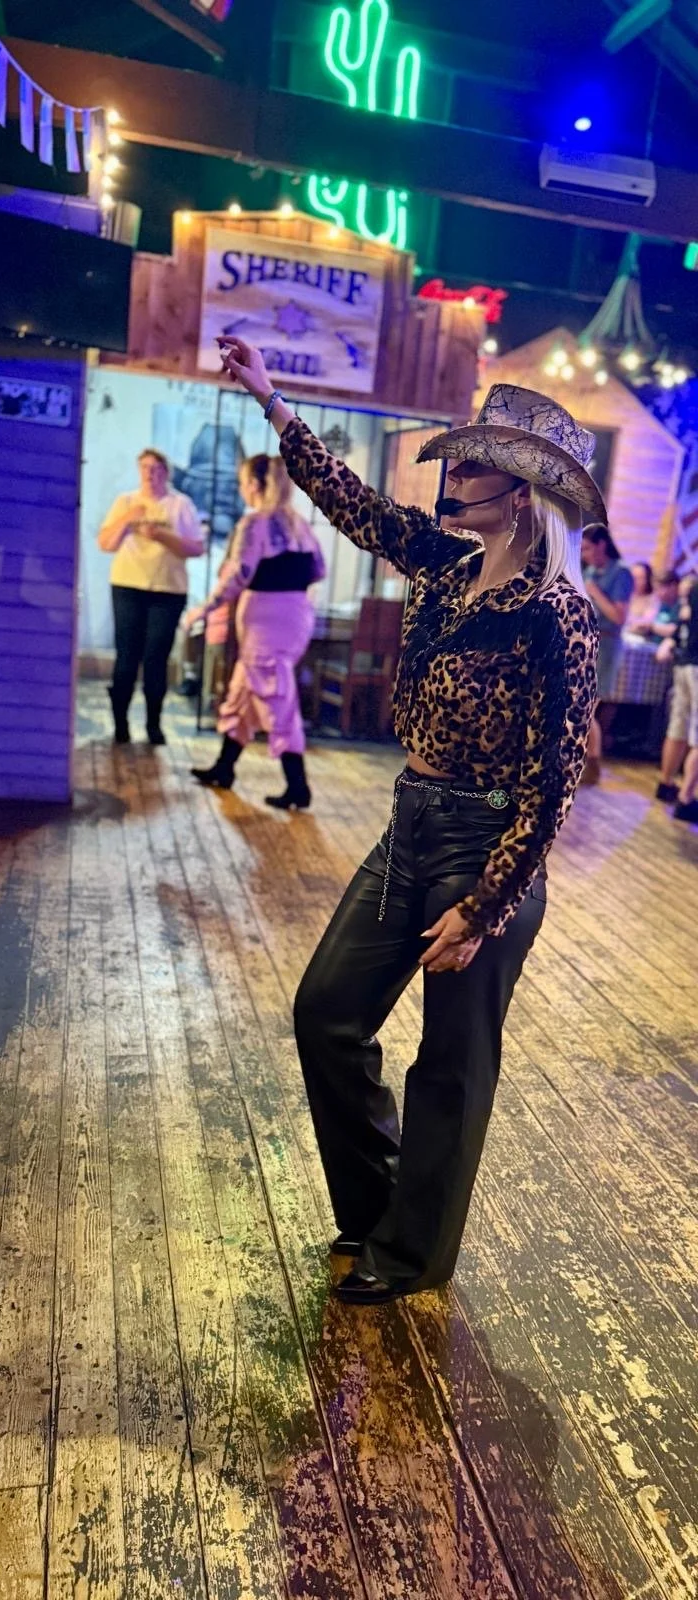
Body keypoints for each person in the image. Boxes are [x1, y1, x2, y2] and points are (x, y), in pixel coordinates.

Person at [217, 334, 599, 1305]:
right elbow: (351, 501)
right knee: (327, 1012)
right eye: (458, 460)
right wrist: (272, 401)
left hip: (487, 844)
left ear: (522, 494)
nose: (453, 474)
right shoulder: (443, 561)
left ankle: (414, 1251)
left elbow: (555, 778)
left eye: (475, 464)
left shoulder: (555, 612)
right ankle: (378, 1208)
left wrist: (486, 903)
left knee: (451, 1062)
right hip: (410, 824)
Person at [187, 452, 326, 809]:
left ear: (254, 484)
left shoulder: (255, 523)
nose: (241, 489)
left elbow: (239, 575)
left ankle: (298, 786)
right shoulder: (299, 525)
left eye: (242, 483)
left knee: (276, 697)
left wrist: (204, 609)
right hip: (293, 615)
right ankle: (224, 767)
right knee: (243, 690)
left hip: (266, 620)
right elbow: (319, 569)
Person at [97, 448, 205, 745]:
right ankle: (120, 724)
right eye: (145, 468)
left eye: (156, 469)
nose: (150, 474)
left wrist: (161, 536)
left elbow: (196, 548)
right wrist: (128, 519)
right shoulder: (126, 501)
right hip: (128, 586)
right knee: (126, 657)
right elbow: (105, 543)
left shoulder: (181, 505)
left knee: (156, 659)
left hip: (167, 591)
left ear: (166, 473)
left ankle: (153, 725)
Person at [581, 522, 634, 784]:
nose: (584, 555)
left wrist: (595, 593)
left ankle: (592, 763)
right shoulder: (591, 571)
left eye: (588, 549)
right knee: (582, 706)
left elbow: (619, 617)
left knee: (588, 707)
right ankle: (589, 762)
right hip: (588, 642)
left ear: (602, 545)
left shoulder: (621, 572)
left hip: (608, 644)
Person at [655, 573, 698, 819]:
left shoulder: (693, 588)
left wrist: (670, 642)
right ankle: (686, 797)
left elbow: (684, 624)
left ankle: (666, 783)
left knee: (678, 727)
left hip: (684, 662)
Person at [624, 561, 657, 634]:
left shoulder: (655, 599)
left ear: (648, 579)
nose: (634, 581)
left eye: (640, 578)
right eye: (632, 577)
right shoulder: (623, 597)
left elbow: (649, 625)